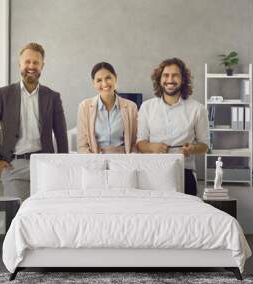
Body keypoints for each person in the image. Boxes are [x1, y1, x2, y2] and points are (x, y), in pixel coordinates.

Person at [0, 42, 68, 201]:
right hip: (13, 166)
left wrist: (62, 165)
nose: (31, 66)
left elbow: (61, 135)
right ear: (20, 64)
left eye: (36, 62)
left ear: (42, 65)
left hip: (44, 165)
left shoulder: (52, 97)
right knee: (18, 214)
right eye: (27, 61)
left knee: (44, 213)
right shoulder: (3, 94)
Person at [137, 58, 208, 196]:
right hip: (153, 172)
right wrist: (152, 147)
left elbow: (204, 146)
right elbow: (140, 144)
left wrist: (192, 149)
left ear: (183, 79)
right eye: (166, 75)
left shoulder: (198, 109)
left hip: (184, 172)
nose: (170, 79)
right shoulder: (146, 107)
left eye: (175, 75)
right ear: (159, 79)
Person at [77, 62, 138, 153]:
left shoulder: (131, 107)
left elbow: (134, 144)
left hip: (124, 161)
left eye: (108, 78)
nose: (104, 84)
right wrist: (94, 163)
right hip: (95, 160)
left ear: (115, 78)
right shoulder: (84, 107)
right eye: (99, 80)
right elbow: (82, 146)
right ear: (93, 83)